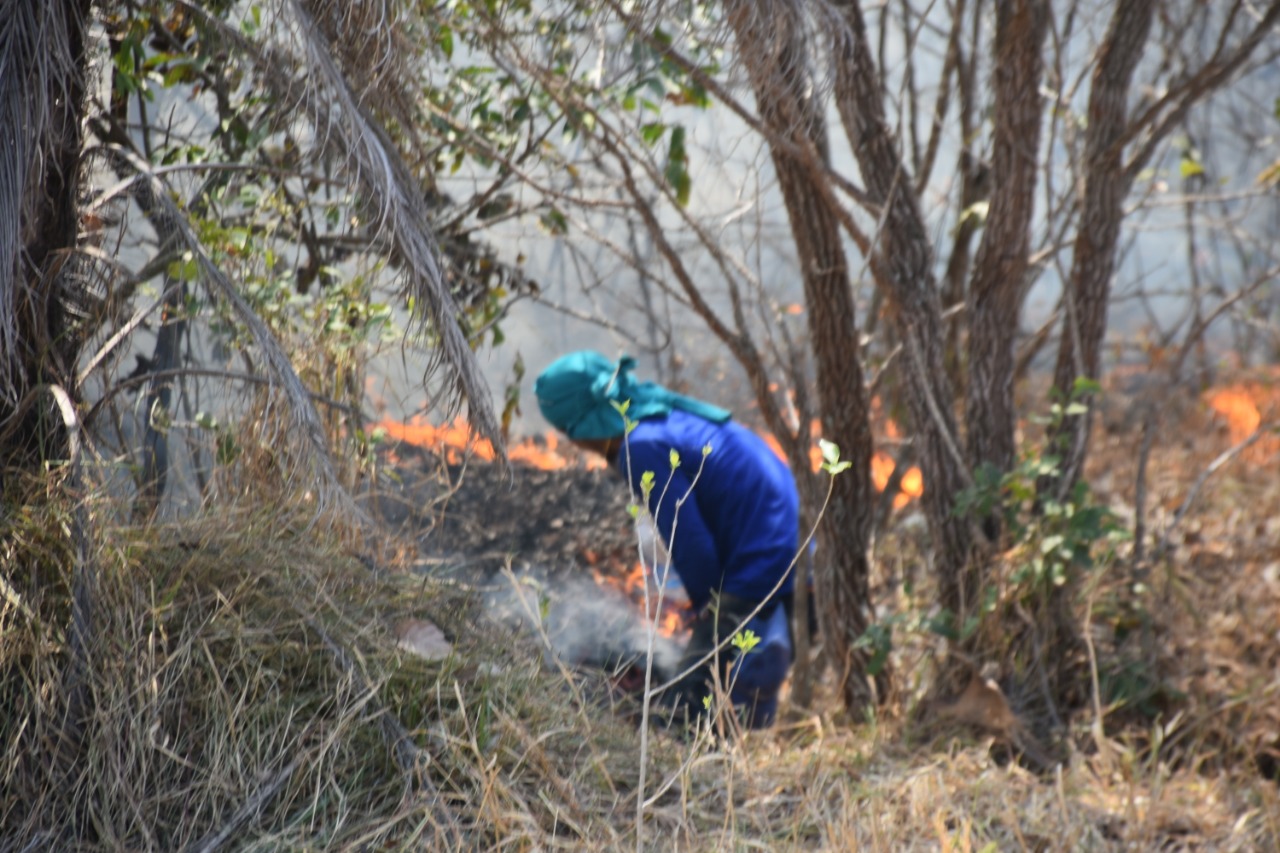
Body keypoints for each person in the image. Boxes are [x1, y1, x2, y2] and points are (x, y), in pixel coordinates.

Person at [534, 351, 799, 728]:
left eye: (568, 432)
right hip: (795, 545)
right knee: (734, 687)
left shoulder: (639, 446)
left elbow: (688, 538)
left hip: (760, 564)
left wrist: (707, 610)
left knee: (687, 718)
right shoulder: (663, 413)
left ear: (581, 427)